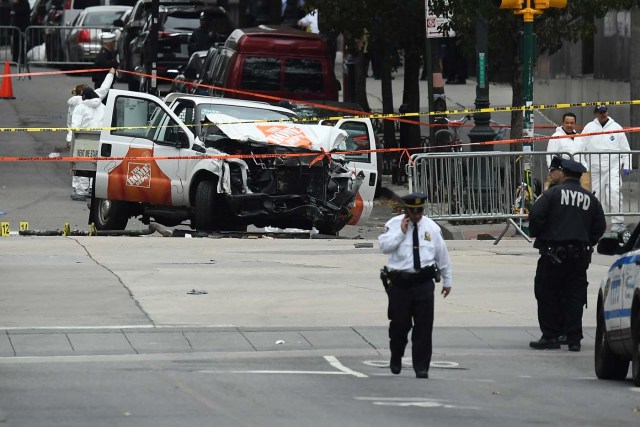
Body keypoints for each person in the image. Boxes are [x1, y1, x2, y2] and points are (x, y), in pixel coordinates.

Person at [528, 159, 606, 352]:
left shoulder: (552, 194)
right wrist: (588, 241)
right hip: (579, 257)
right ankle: (573, 339)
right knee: (574, 296)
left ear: (563, 174)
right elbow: (600, 226)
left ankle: (550, 336)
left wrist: (541, 234)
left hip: (553, 254)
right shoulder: (590, 199)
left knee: (547, 292)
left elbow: (536, 216)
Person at [378, 192, 452, 378]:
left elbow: (441, 254)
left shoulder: (432, 228)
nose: (417, 215)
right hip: (400, 284)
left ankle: (421, 366)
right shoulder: (394, 225)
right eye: (413, 211)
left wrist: (447, 279)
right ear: (407, 210)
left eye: (419, 211)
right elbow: (384, 247)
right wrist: (401, 233)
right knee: (400, 325)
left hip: (423, 283)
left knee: (424, 327)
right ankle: (396, 355)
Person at [580, 104, 631, 232]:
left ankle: (617, 222)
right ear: (596, 114)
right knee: (597, 196)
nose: (603, 114)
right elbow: (580, 147)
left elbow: (625, 148)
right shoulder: (589, 128)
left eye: (605, 111)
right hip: (595, 168)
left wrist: (628, 164)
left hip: (612, 167)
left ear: (607, 112)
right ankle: (598, 222)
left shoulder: (616, 127)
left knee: (614, 192)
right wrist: (583, 165)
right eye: (600, 112)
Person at [69, 85, 109, 200]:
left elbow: (75, 126)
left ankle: (81, 192)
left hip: (83, 138)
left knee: (81, 165)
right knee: (95, 165)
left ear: (85, 96)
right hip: (99, 139)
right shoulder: (103, 107)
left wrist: (72, 138)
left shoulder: (80, 108)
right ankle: (92, 188)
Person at [67, 68, 115, 148]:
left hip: (82, 139)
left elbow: (72, 124)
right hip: (99, 137)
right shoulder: (98, 102)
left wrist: (70, 139)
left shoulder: (74, 105)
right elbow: (104, 88)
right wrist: (111, 74)